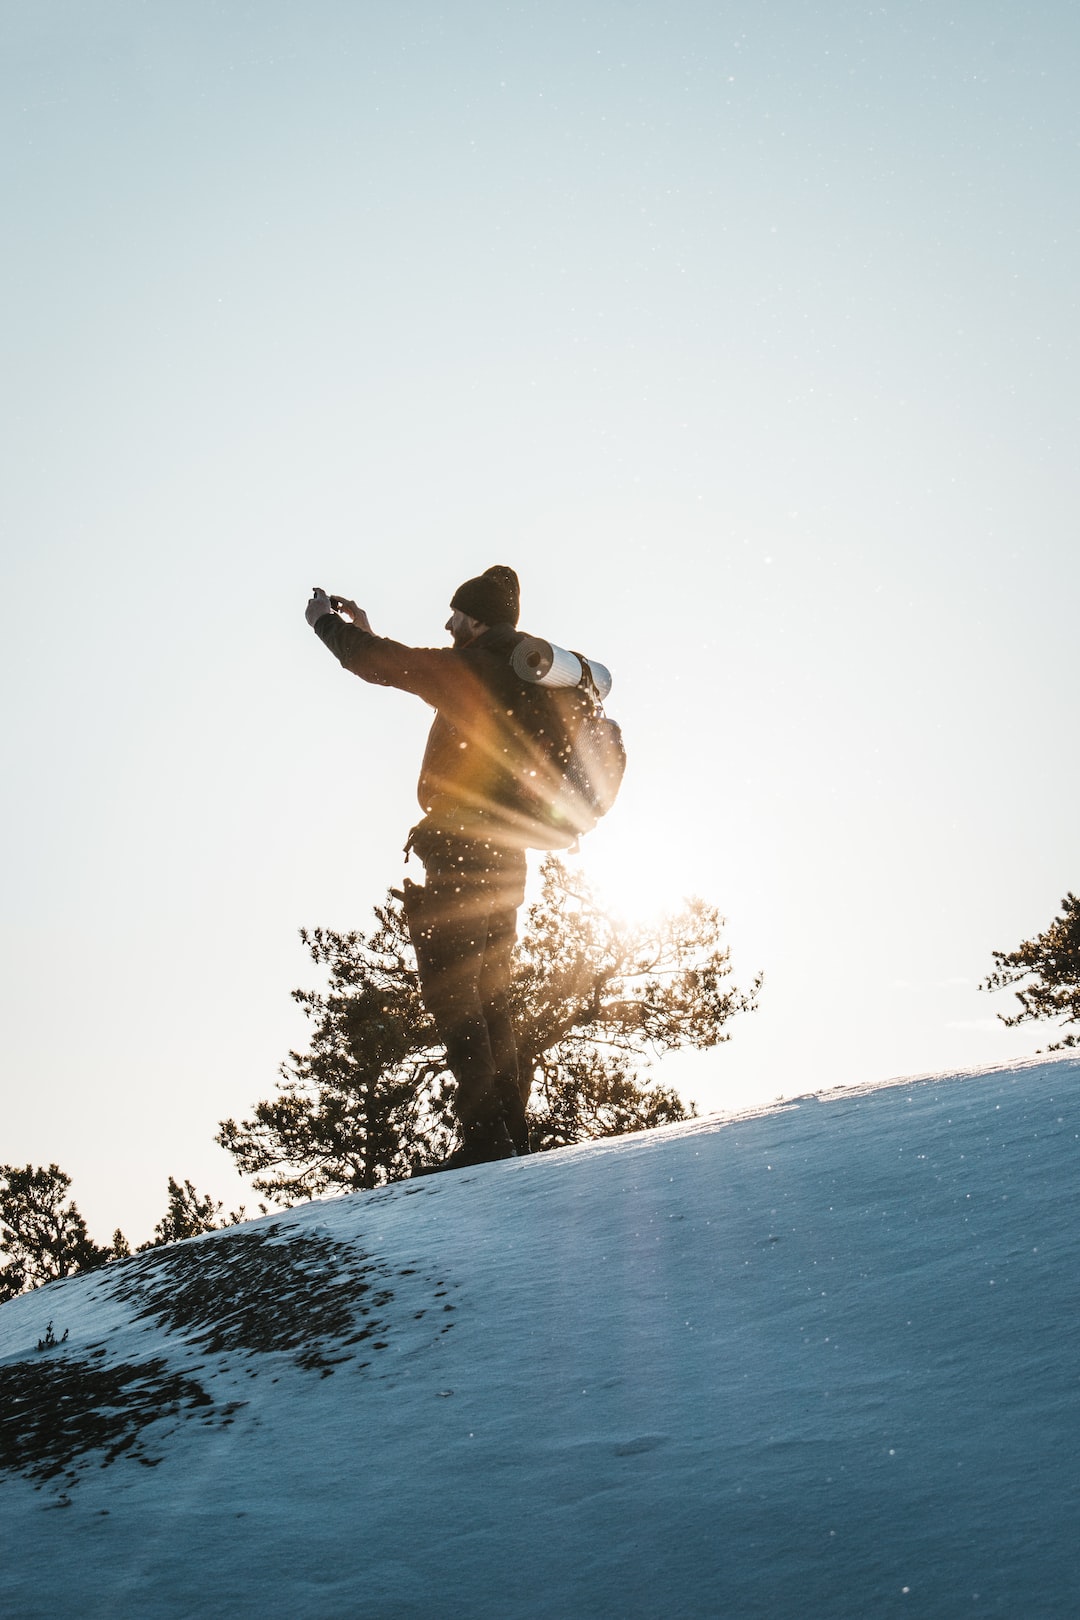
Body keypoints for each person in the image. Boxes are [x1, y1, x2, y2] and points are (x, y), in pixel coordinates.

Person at [304, 565, 539, 1169]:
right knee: (491, 999)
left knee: (454, 996)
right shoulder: (519, 679)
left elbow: (391, 666)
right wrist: (372, 630)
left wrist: (328, 627)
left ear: (479, 619)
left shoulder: (477, 669)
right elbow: (410, 663)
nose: (448, 623)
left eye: (458, 614)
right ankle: (512, 1137)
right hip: (507, 857)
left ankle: (487, 1141)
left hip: (462, 852)